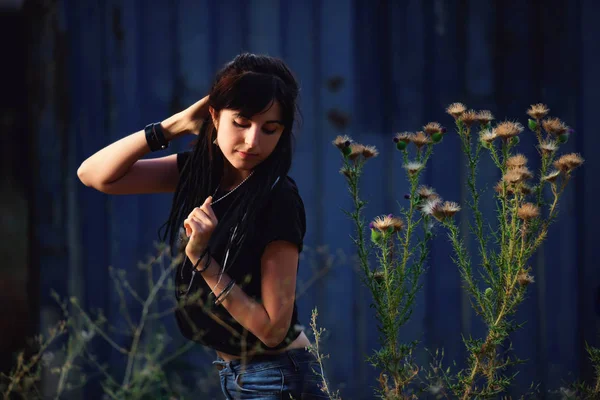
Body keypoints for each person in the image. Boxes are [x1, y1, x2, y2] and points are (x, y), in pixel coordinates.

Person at [77, 53, 329, 399]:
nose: (253, 141)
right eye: (241, 122)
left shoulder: (278, 198)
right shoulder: (198, 172)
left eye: (270, 129)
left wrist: (201, 259)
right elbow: (94, 175)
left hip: (275, 377)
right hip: (238, 374)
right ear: (213, 115)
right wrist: (173, 126)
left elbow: (273, 330)